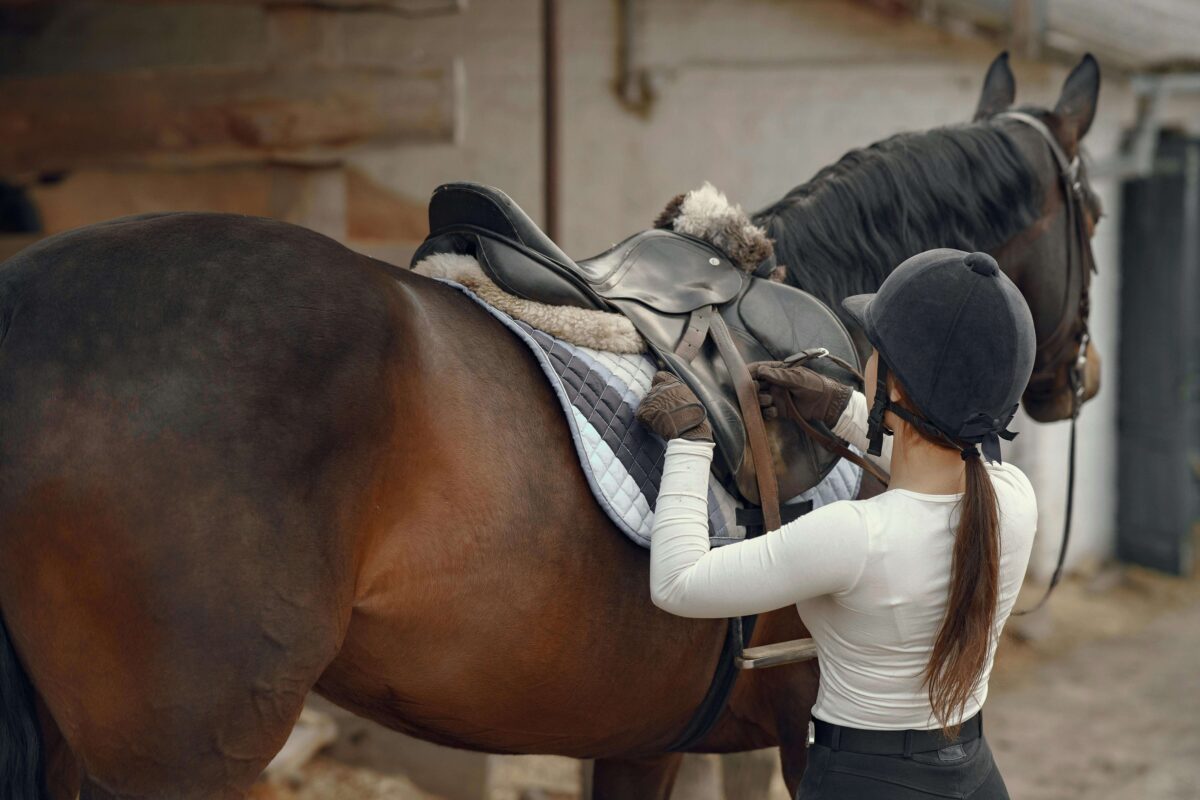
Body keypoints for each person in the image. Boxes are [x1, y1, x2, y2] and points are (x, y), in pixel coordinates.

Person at [635, 249, 1038, 799]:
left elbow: (678, 583)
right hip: (973, 777)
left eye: (875, 352)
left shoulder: (853, 536)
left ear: (893, 386)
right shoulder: (1015, 500)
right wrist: (842, 409)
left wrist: (689, 440)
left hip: (858, 783)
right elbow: (936, 463)